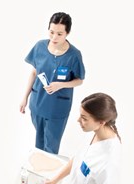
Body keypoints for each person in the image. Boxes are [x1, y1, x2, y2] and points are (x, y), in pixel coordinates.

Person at [19, 12, 85, 155]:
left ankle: (49, 175)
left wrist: (61, 85)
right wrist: (25, 97)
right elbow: (33, 73)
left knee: (52, 145)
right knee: (39, 141)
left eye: (59, 34)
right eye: (51, 32)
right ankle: (38, 171)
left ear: (67, 33)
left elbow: (79, 80)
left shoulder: (74, 55)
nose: (54, 37)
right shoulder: (40, 47)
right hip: (38, 102)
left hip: (57, 107)